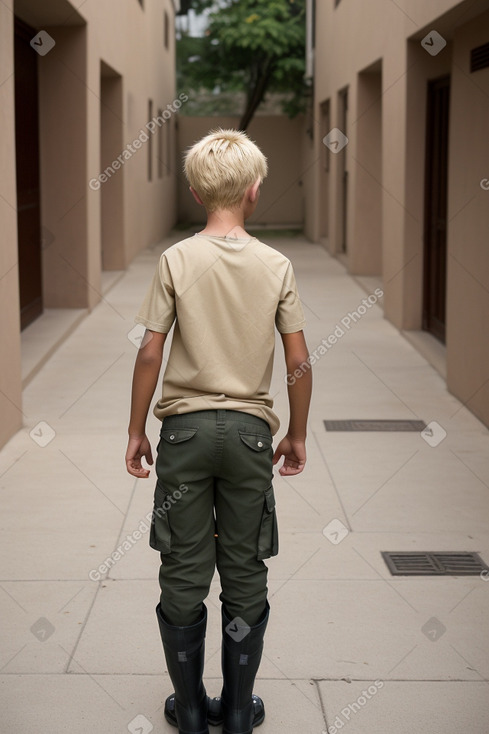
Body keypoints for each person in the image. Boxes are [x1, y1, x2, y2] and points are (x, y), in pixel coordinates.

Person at [125, 128, 312, 734]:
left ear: (194, 191)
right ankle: (236, 711)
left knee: (183, 565)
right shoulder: (276, 264)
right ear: (255, 191)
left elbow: (151, 352)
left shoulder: (176, 260)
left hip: (184, 435)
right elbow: (299, 361)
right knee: (245, 564)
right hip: (252, 436)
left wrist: (136, 430)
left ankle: (190, 711)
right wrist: (298, 435)